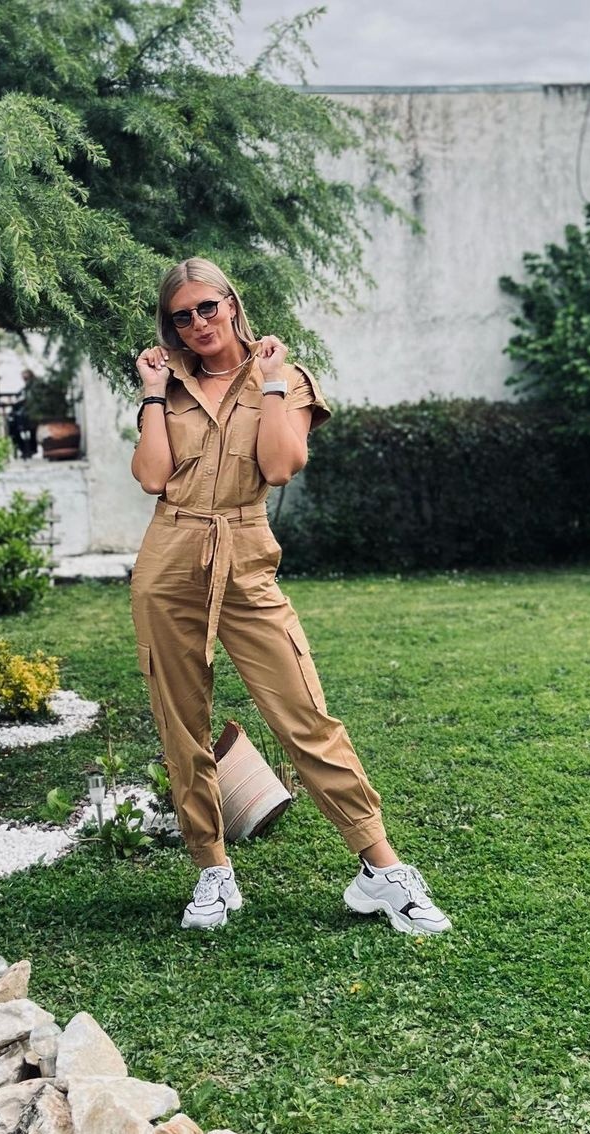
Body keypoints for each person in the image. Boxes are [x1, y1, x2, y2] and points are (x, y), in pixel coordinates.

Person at [130, 257, 451, 936]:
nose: (198, 324)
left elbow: (280, 466)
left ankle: (381, 869)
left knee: (304, 714)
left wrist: (273, 384)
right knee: (181, 724)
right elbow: (153, 476)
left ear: (231, 304)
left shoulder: (286, 377)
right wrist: (154, 392)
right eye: (182, 316)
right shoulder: (169, 384)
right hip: (169, 559)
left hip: (245, 558)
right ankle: (213, 870)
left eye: (208, 307)